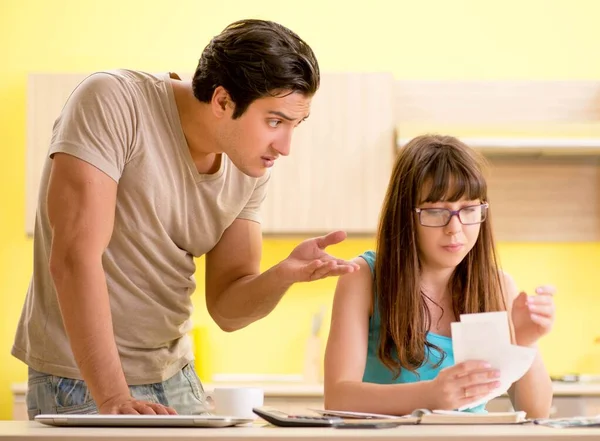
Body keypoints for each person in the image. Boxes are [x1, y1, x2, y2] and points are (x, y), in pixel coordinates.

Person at [13, 19, 359, 418]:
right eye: (275, 121)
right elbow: (73, 258)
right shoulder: (113, 101)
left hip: (175, 377)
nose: (284, 147)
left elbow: (228, 307)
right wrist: (112, 399)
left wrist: (284, 274)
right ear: (222, 101)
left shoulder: (249, 168)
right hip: (80, 378)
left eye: (295, 125)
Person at [323, 134, 555, 418]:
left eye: (469, 210)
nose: (455, 229)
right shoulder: (363, 277)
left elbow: (536, 411)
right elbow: (338, 397)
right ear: (405, 216)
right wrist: (430, 395)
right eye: (435, 212)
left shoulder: (498, 287)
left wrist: (525, 342)